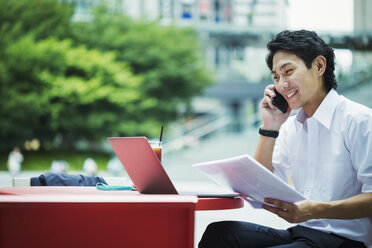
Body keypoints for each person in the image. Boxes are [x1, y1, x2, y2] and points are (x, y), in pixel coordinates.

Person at [199, 30, 372, 248]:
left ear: (319, 66)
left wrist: (314, 209)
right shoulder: (291, 127)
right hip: (302, 233)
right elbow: (260, 188)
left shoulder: (359, 120)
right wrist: (270, 127)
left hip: (346, 241)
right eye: (276, 77)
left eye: (288, 71)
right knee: (222, 233)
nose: (281, 84)